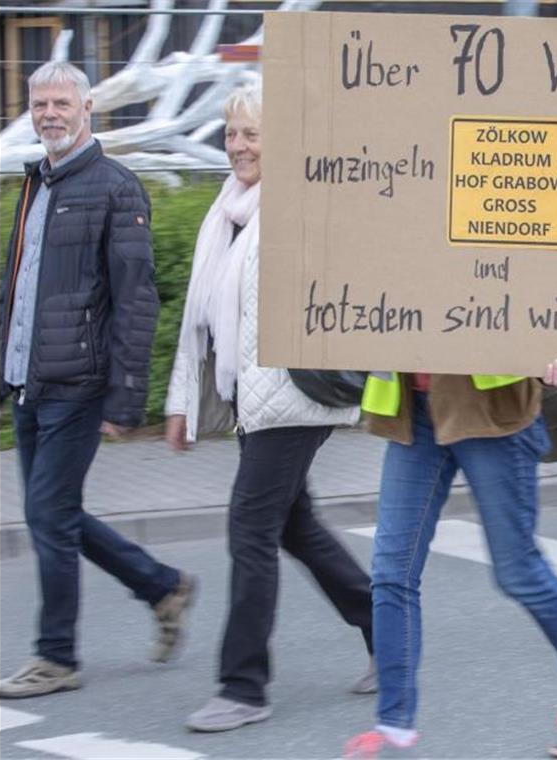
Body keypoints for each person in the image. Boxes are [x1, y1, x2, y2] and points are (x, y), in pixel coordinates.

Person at [163, 84, 375, 733]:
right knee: (293, 525)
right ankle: (390, 633)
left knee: (249, 526)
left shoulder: (301, 207)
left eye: (252, 134)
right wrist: (182, 402)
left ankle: (244, 685)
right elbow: (201, 320)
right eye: (232, 134)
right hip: (248, 398)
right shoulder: (226, 212)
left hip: (293, 394)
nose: (239, 146)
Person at [0, 61, 194, 699]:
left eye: (61, 103)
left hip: (79, 383)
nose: (49, 113)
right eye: (39, 103)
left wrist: (126, 396)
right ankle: (162, 586)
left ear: (87, 111)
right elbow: (18, 292)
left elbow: (137, 301)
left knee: (48, 516)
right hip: (30, 379)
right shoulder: (36, 183)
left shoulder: (115, 187)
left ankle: (56, 657)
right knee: (50, 513)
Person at [343, 362, 557, 759]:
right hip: (413, 414)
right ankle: (394, 730)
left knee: (519, 572)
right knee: (392, 573)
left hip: (492, 415)